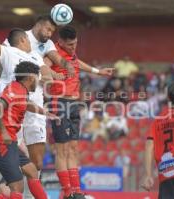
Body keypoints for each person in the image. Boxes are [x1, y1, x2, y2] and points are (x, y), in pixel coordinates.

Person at [0, 10, 71, 189]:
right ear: (38, 25)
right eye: (47, 30)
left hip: (33, 106)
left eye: (51, 32)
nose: (48, 34)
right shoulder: (13, 45)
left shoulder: (37, 54)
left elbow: (49, 69)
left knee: (36, 162)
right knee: (6, 152)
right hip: (12, 108)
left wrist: (57, 73)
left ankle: (25, 195)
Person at [45, 25, 114, 199]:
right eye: (69, 45)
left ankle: (76, 191)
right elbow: (42, 68)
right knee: (62, 149)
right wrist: (53, 74)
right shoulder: (52, 53)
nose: (73, 47)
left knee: (74, 148)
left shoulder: (72, 53)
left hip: (75, 103)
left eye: (75, 44)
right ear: (60, 42)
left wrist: (98, 71)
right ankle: (67, 192)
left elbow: (77, 63)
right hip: (59, 102)